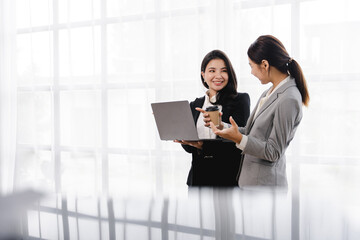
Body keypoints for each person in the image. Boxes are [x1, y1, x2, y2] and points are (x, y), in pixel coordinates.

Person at [210, 35, 310, 187]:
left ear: (264, 64)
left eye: (251, 66)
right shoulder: (269, 92)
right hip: (251, 185)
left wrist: (239, 139)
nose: (251, 72)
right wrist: (222, 126)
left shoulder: (289, 98)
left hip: (265, 188)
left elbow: (273, 151)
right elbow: (252, 132)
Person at [176, 50, 250, 186]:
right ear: (203, 75)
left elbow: (240, 142)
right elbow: (190, 149)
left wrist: (204, 146)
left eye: (223, 71)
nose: (218, 76)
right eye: (212, 71)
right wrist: (184, 138)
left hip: (227, 179)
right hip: (197, 180)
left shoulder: (240, 100)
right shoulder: (195, 105)